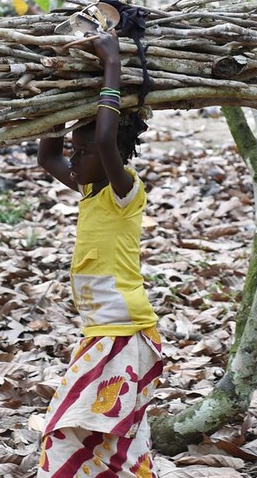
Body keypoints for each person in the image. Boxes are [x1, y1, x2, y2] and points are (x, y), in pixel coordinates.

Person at [35, 31, 163, 477]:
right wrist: (54, 93)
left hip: (124, 334)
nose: (75, 159)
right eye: (76, 150)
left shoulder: (124, 191)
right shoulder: (89, 189)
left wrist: (112, 66)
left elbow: (106, 142)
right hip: (101, 333)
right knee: (111, 437)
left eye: (83, 153)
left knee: (70, 426)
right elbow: (47, 156)